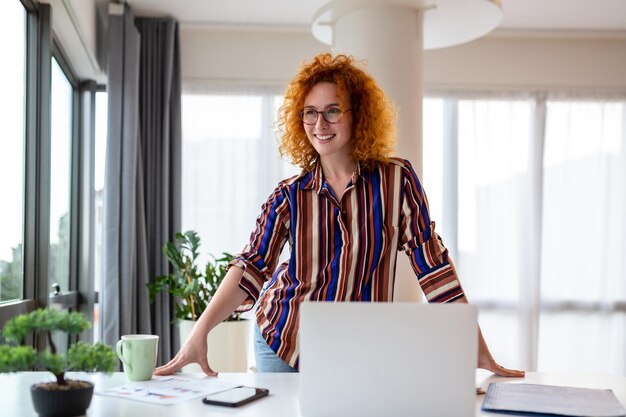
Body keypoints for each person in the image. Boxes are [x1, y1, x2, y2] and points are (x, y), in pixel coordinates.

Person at [155, 53, 525, 378]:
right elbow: (251, 266)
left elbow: (433, 266)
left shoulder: (397, 181)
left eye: (332, 110)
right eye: (310, 113)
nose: (320, 124)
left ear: (357, 114)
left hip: (358, 347)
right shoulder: (288, 195)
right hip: (284, 341)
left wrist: (473, 346)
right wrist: (199, 333)